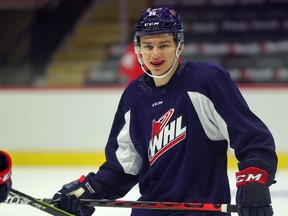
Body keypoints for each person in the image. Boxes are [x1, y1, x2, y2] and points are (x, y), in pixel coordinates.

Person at [52, 7, 278, 216]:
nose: (155, 54)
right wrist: (88, 191)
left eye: (163, 45)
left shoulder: (206, 81)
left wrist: (254, 182)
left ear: (178, 45)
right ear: (138, 48)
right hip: (149, 211)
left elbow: (252, 140)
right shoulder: (133, 95)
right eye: (148, 46)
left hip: (200, 212)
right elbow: (123, 169)